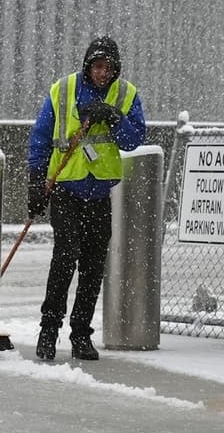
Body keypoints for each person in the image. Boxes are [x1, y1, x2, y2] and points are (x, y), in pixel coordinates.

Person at [26, 36, 146, 361]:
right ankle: (48, 331)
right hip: (66, 189)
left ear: (115, 69)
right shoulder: (62, 90)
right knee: (65, 258)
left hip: (100, 193)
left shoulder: (126, 94)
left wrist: (113, 116)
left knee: (93, 267)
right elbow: (40, 138)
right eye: (97, 66)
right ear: (88, 66)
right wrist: (37, 182)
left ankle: (81, 334)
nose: (102, 73)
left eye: (108, 68)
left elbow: (134, 140)